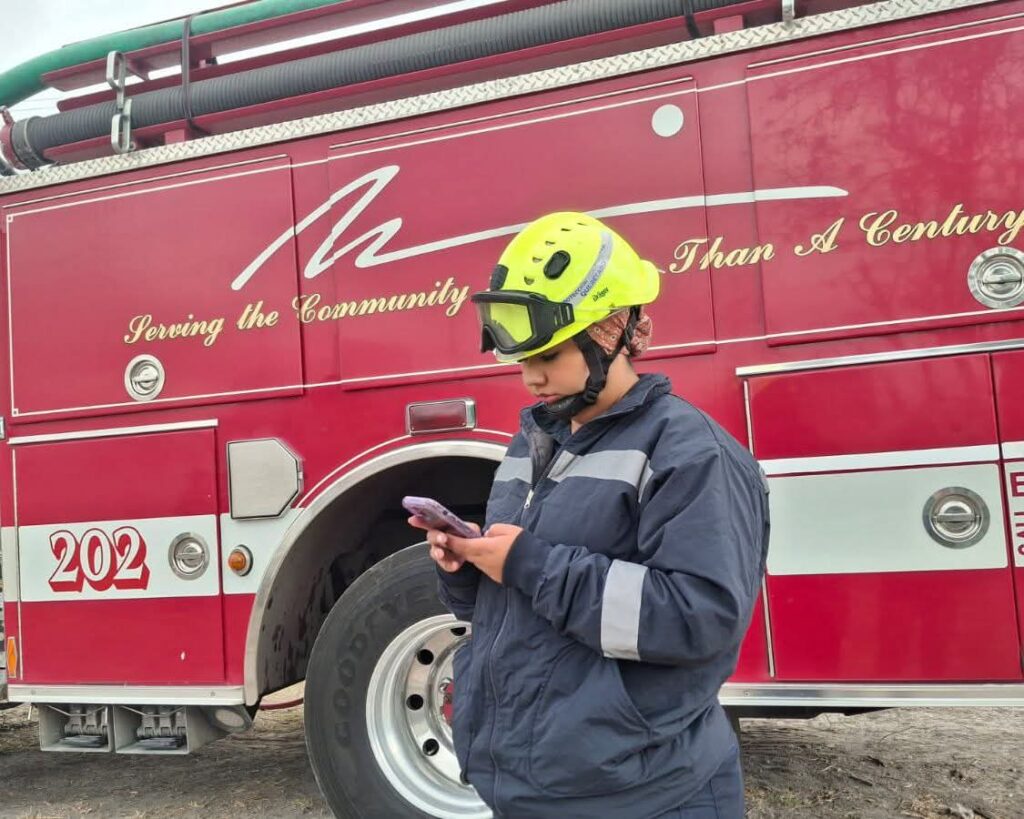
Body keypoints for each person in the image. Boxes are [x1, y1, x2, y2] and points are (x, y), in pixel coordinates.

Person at [408, 212, 770, 818]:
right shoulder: (534, 442)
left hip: (643, 796)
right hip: (537, 788)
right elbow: (510, 611)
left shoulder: (690, 452)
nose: (530, 377)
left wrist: (530, 563)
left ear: (608, 331)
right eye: (520, 358)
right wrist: (468, 566)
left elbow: (698, 620)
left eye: (548, 353)